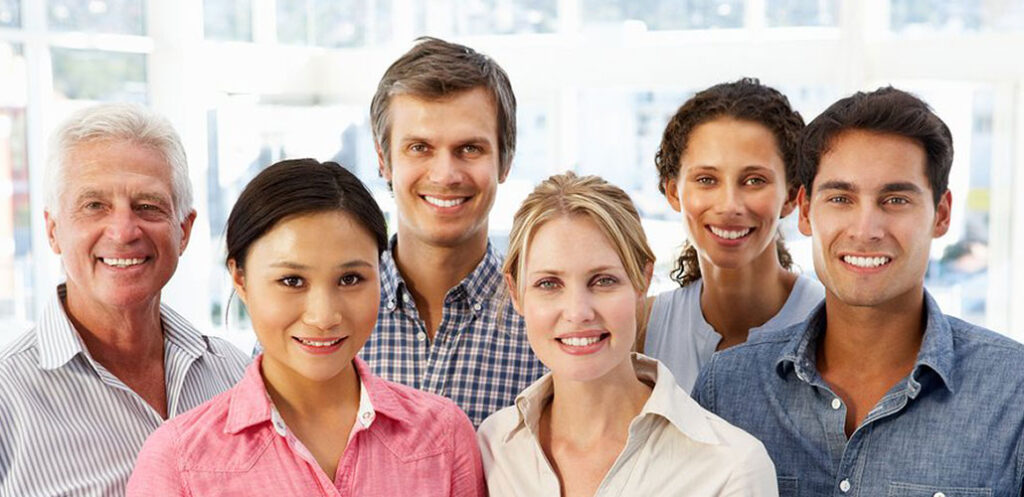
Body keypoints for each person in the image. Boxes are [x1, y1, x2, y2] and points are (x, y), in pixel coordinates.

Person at [692, 87, 1024, 496]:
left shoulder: (1015, 392)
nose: (865, 229)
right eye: (841, 198)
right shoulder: (726, 390)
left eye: (896, 199)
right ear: (807, 211)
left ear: (941, 214)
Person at [127, 159, 484, 496]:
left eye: (350, 278)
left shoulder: (443, 436)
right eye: (292, 281)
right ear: (240, 277)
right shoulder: (178, 460)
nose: (324, 316)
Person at [0, 103, 248, 496]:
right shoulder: (6, 399)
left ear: (183, 231)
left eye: (148, 206)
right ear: (53, 230)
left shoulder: (237, 375)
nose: (123, 230)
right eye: (94, 205)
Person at [478, 172, 777, 497]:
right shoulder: (494, 448)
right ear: (516, 293)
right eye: (548, 284)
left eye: (603, 281)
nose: (578, 312)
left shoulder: (731, 467)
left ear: (642, 281)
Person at [362, 36, 546, 426]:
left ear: (505, 160)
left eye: (469, 149)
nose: (445, 175)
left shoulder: (547, 323)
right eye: (419, 148)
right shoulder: (326, 313)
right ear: (384, 161)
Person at [643, 78, 824, 391]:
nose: (729, 206)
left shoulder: (832, 327)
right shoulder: (641, 328)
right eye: (706, 179)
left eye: (754, 181)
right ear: (674, 192)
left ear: (791, 196)